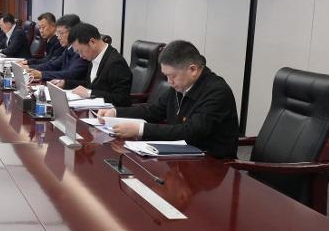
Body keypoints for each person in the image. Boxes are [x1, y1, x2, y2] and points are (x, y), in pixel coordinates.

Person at [99, 39, 240, 158]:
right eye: (166, 76)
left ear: (193, 70)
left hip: (211, 163)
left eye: (172, 76)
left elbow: (190, 132)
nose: (169, 82)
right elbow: (154, 110)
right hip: (181, 155)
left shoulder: (217, 92)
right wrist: (116, 112)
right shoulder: (181, 85)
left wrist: (141, 129)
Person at [48, 22, 131, 107]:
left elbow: (121, 99)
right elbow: (90, 85)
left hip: (108, 113)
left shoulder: (116, 63)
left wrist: (89, 93)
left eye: (80, 51)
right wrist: (65, 83)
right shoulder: (93, 56)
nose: (80, 56)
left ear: (92, 42)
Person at [27, 14, 87, 84]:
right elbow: (53, 65)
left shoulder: (82, 52)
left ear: (73, 32)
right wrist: (29, 68)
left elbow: (70, 74)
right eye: (57, 33)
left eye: (61, 33)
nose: (58, 37)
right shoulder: (68, 49)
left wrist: (41, 74)